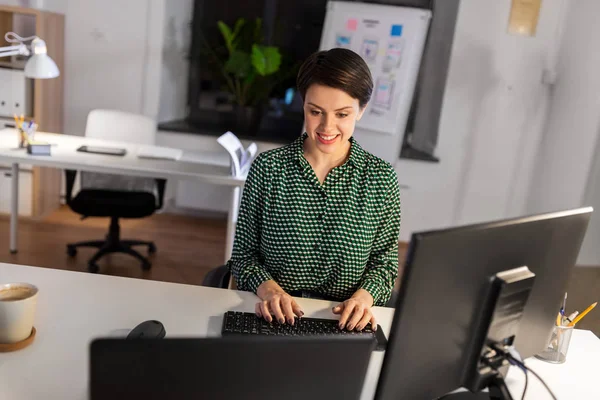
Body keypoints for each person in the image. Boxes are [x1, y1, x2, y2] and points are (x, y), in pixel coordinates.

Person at [227, 48, 401, 332]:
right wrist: (270, 291)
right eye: (315, 111)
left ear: (362, 110)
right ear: (303, 105)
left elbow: (384, 265)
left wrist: (363, 298)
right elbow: (244, 257)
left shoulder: (380, 178)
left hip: (344, 325)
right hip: (272, 320)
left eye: (342, 114)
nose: (327, 127)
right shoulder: (269, 169)